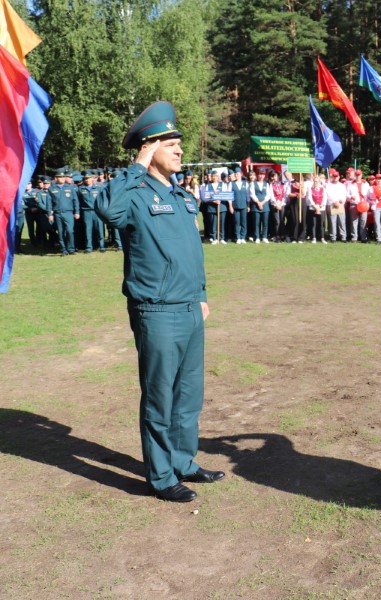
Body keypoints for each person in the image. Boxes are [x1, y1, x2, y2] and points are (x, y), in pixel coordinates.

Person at [95, 101, 224, 503]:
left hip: (189, 308)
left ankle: (183, 462)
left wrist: (201, 295)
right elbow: (107, 210)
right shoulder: (134, 194)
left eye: (179, 144)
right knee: (160, 396)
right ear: (149, 149)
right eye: (171, 145)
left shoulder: (182, 197)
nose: (180, 150)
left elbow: (191, 254)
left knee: (188, 395)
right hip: (157, 311)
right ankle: (161, 476)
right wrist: (137, 166)